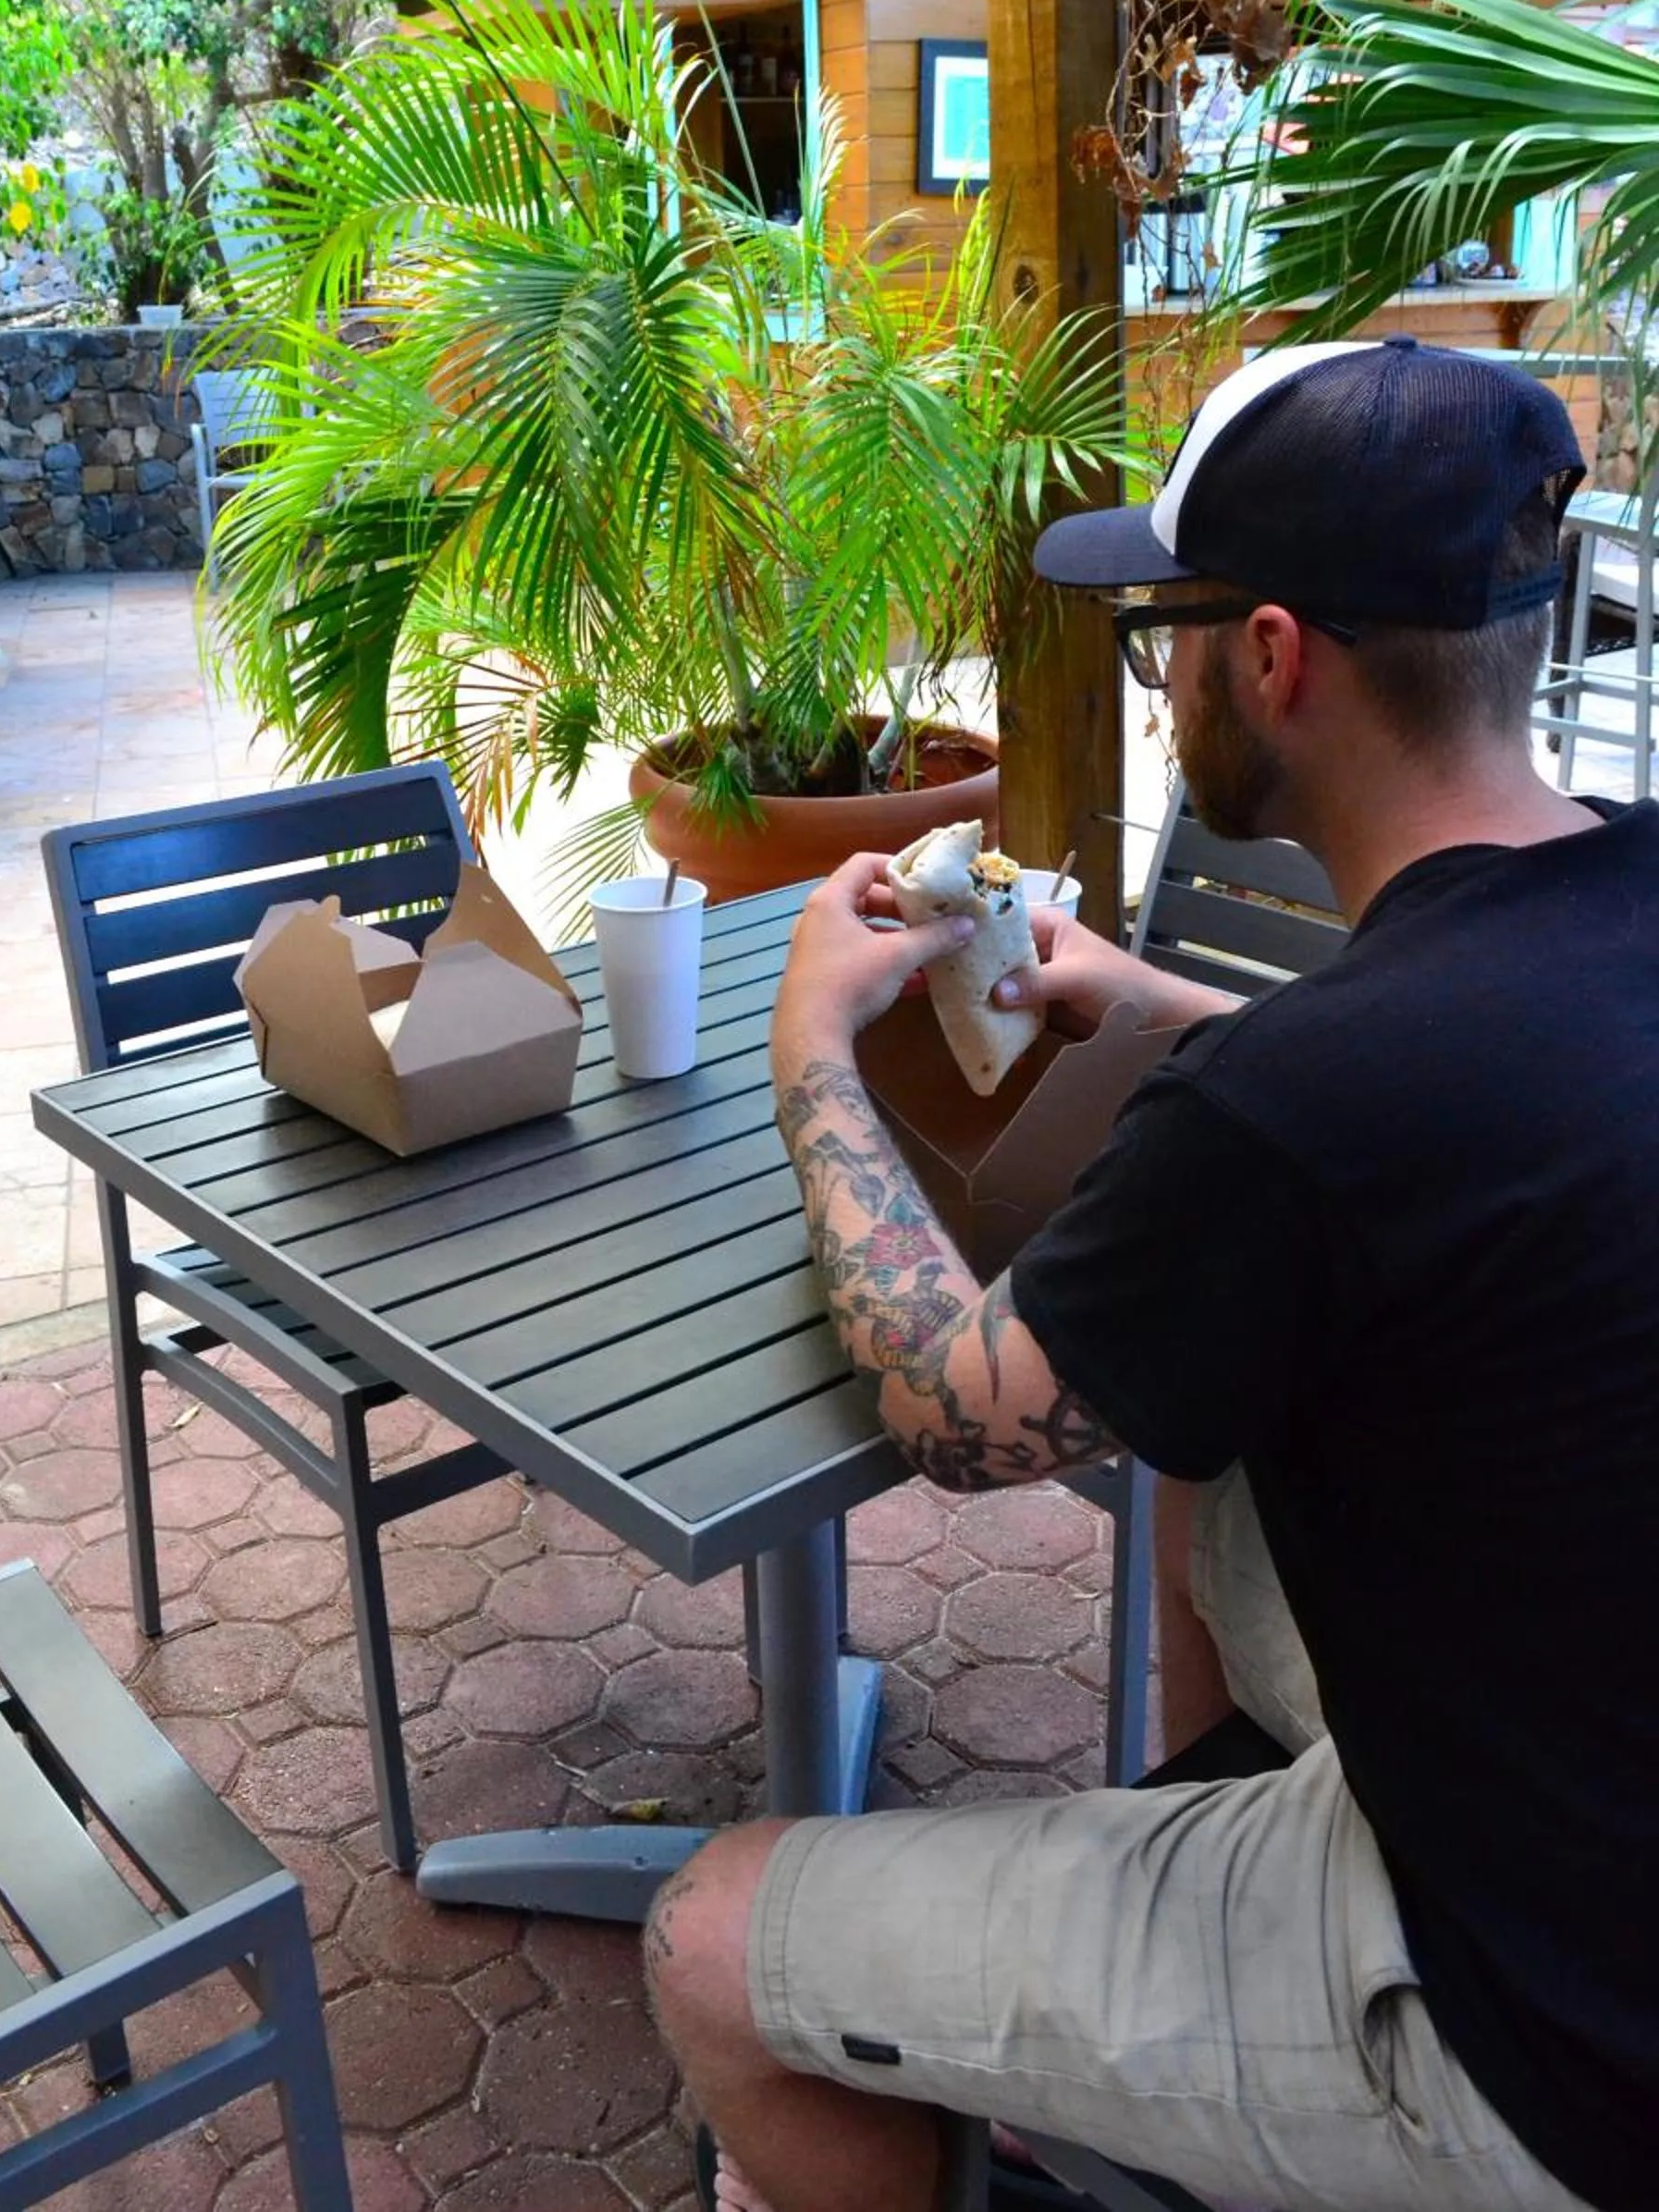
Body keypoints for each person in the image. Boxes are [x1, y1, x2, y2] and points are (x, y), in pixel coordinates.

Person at [645, 339, 1659, 2212]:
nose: (1168, 674)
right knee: (1222, 1487)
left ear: (1268, 657)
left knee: (708, 1935)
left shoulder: (1303, 1106)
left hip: (1539, 2052)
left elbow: (948, 1413)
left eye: (1166, 627)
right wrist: (1158, 1001)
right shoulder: (1610, 895)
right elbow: (1461, 1102)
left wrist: (810, 1045)